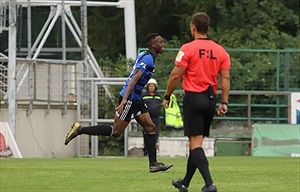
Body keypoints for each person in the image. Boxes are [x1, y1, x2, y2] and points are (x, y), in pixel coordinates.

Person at [64, 33, 173, 173]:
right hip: (130, 98)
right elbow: (133, 79)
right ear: (153, 45)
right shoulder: (148, 59)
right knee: (115, 131)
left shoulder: (146, 55)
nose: (163, 44)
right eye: (160, 42)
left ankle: (154, 164)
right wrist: (124, 101)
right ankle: (80, 130)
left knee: (150, 127)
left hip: (136, 98)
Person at [163, 12, 230, 192]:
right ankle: (184, 183)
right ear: (208, 29)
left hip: (193, 97)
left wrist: (167, 95)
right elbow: (225, 79)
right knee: (195, 143)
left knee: (195, 144)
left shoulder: (187, 48)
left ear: (193, 27)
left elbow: (176, 75)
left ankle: (210, 184)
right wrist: (224, 102)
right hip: (210, 100)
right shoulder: (220, 51)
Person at [141, 78, 162, 156]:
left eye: (153, 86)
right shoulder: (144, 96)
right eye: (150, 86)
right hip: (147, 119)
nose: (151, 88)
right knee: (147, 135)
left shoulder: (158, 96)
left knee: (155, 135)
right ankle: (146, 152)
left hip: (156, 119)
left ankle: (152, 152)